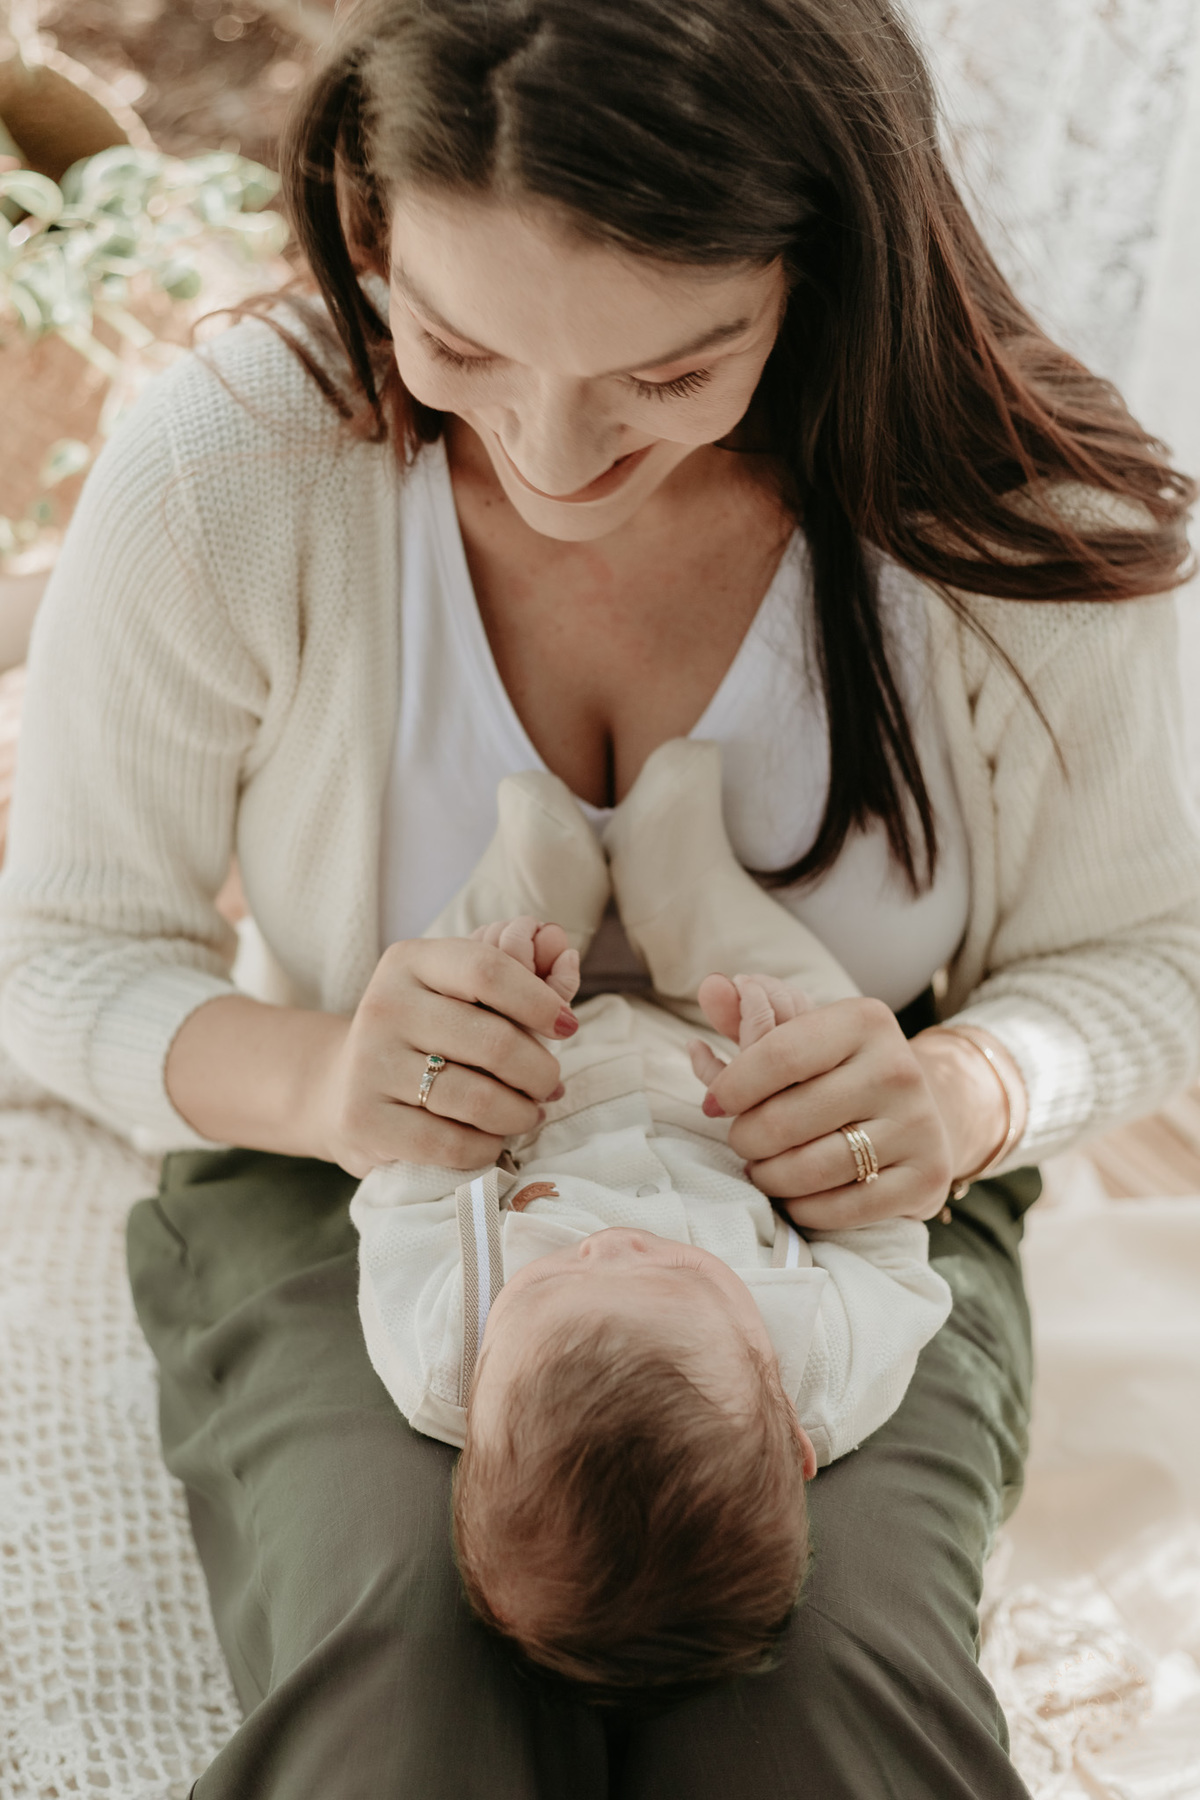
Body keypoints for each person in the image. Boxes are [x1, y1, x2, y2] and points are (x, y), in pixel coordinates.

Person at [0, 0, 1196, 1791]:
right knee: (407, 1669)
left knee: (824, 1685)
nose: (552, 457)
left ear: (826, 273)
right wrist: (332, 1083)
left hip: (842, 1219)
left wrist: (967, 1093)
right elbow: (61, 953)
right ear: (372, 230)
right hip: (352, 1193)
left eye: (668, 368)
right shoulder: (234, 468)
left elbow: (1147, 959)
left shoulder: (1018, 519)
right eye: (459, 343)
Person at [351, 742, 952, 1697]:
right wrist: (837, 1142)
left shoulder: (442, 1359)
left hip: (547, 1067)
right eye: (675, 1276)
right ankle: (691, 896)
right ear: (788, 1438)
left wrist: (484, 1033)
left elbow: (405, 1192)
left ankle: (529, 888)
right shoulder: (830, 1375)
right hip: (733, 1073)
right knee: (830, 1017)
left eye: (552, 1276)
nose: (612, 1247)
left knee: (435, 1010)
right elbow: (894, 1264)